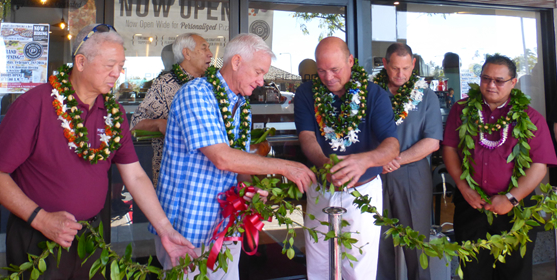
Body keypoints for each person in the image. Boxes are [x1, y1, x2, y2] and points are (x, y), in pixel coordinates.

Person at [0, 23, 196, 278]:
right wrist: (41, 220)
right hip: (37, 235)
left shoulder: (113, 114)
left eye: (121, 66)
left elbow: (135, 176)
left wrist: (165, 230)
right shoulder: (34, 104)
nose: (118, 73)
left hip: (91, 235)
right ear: (80, 62)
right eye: (110, 65)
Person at [152, 33, 316, 279]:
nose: (261, 81)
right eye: (258, 72)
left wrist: (250, 192)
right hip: (189, 231)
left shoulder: (240, 104)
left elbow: (238, 164)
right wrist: (285, 167)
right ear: (237, 62)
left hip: (228, 226)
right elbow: (222, 157)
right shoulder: (196, 94)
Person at [442, 54, 557, 280]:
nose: (491, 85)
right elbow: (450, 149)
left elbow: (539, 166)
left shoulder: (531, 118)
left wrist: (511, 198)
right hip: (471, 205)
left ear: (513, 83)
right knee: (473, 270)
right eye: (486, 78)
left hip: (516, 210)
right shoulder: (461, 109)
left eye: (499, 80)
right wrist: (465, 189)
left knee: (515, 272)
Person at [294, 36, 399, 280]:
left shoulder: (374, 95)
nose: (328, 77)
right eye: (321, 70)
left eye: (335, 69)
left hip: (362, 191)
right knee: (319, 263)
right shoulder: (307, 93)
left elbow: (392, 145)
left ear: (351, 61)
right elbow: (307, 137)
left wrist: (364, 160)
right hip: (320, 187)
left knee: (359, 267)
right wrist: (325, 164)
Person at [374, 43, 442, 280]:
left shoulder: (427, 96)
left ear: (413, 64)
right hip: (374, 176)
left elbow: (432, 141)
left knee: (415, 244)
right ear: (384, 64)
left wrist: (396, 160)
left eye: (406, 68)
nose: (400, 74)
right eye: (395, 68)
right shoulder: (369, 93)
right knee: (377, 246)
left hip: (412, 176)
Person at [131, 33, 213, 187]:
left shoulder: (212, 84)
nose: (210, 53)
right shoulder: (164, 84)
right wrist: (159, 124)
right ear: (186, 53)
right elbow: (136, 123)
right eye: (204, 48)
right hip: (173, 175)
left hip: (208, 172)